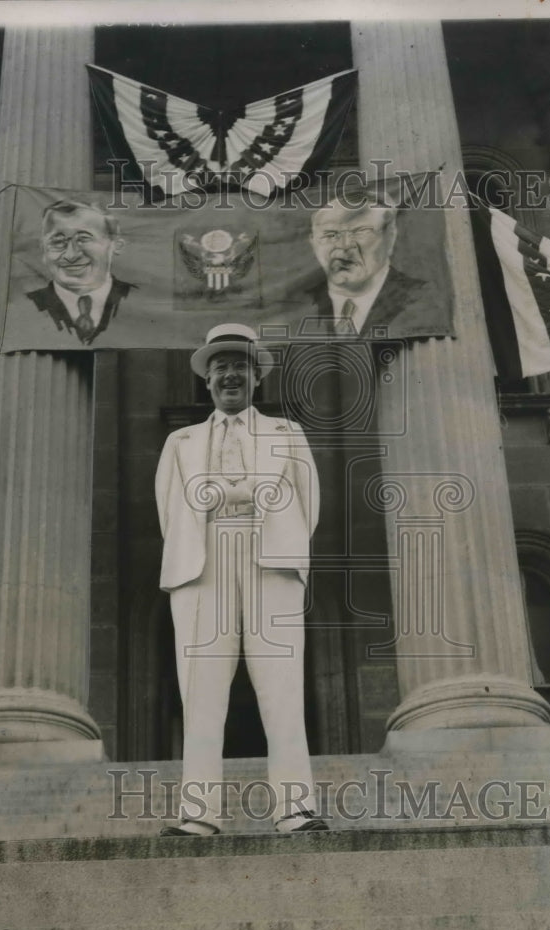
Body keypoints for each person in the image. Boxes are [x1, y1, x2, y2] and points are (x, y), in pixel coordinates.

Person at [155, 322, 328, 836]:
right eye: (220, 367)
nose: (229, 375)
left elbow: (308, 503)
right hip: (203, 565)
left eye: (240, 367)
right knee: (201, 693)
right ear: (206, 381)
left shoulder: (286, 433)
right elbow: (170, 512)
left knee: (281, 687)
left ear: (256, 378)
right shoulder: (180, 442)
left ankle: (295, 810)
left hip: (269, 558)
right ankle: (199, 814)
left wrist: (272, 539)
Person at [306, 202, 448, 340]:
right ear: (313, 243)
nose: (344, 246)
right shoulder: (297, 304)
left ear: (390, 237)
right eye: (330, 235)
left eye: (360, 232)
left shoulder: (425, 299)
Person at [25, 200, 135, 344]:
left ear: (116, 246)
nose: (71, 255)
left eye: (84, 239)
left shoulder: (143, 301)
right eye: (57, 242)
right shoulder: (24, 306)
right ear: (43, 249)